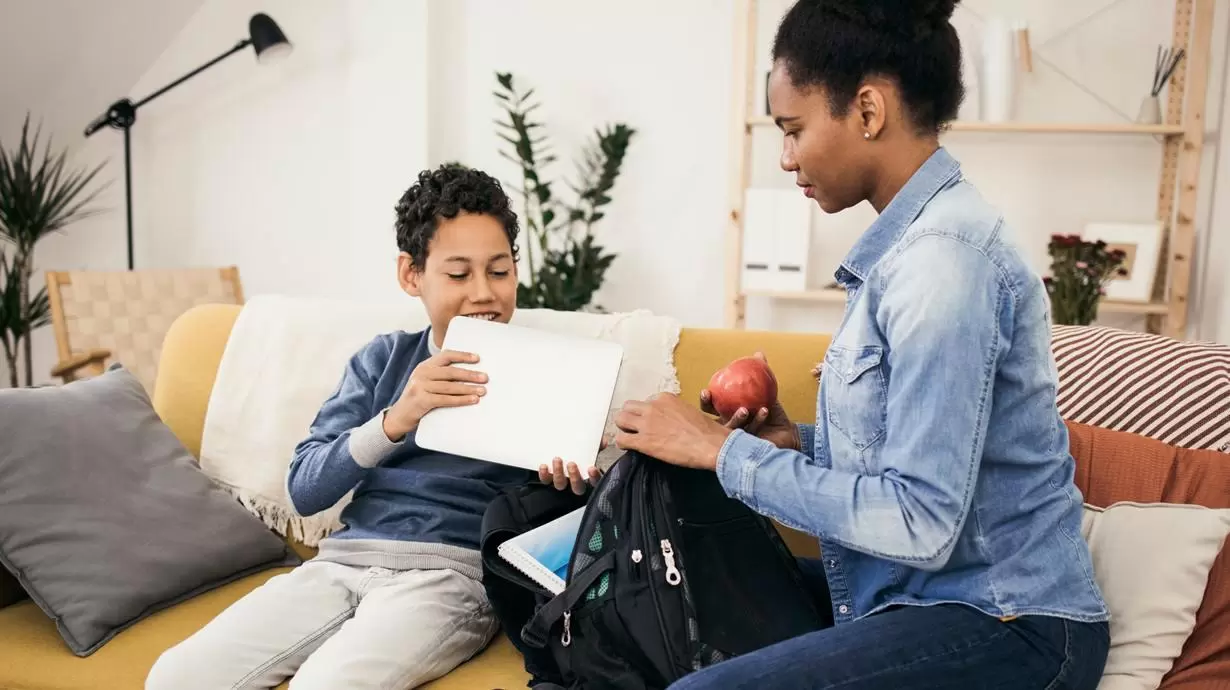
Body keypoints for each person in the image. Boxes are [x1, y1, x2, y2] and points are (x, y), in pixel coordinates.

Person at [611, 1, 1111, 688]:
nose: (785, 158)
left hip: (1006, 621)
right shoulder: (907, 252)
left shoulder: (944, 266)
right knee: (666, 595)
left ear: (868, 111)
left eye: (793, 129)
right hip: (913, 597)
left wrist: (721, 452)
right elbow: (930, 457)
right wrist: (801, 445)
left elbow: (921, 521)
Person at [147, 164, 591, 690]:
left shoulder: (551, 375)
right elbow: (305, 489)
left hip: (450, 578)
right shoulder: (382, 360)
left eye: (499, 271)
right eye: (458, 274)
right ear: (411, 275)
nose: (484, 293)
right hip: (340, 564)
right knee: (175, 677)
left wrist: (575, 487)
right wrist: (397, 418)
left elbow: (564, 528)